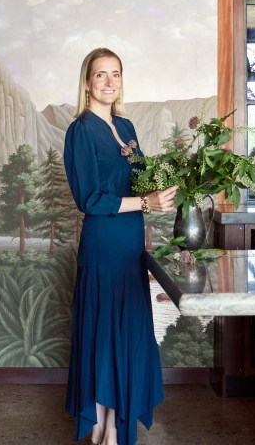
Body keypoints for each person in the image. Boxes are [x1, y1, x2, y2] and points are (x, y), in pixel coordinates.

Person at [63, 48, 177, 445]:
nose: (109, 82)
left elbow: (140, 182)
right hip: (103, 244)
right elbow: (90, 200)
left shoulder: (126, 127)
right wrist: (147, 202)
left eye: (116, 74)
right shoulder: (80, 130)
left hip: (131, 243)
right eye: (100, 75)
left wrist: (171, 185)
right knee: (102, 332)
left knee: (125, 331)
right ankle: (97, 422)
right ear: (87, 82)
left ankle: (114, 425)